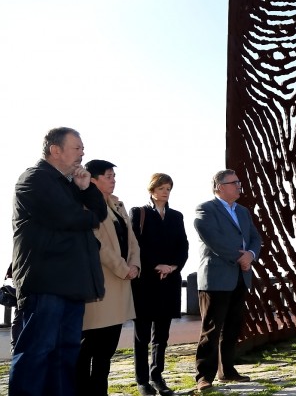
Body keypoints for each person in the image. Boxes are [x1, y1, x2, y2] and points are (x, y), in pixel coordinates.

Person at [9, 127, 106, 396]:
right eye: (77, 148)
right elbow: (69, 218)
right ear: (55, 150)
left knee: (66, 354)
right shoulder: (34, 179)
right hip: (45, 283)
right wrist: (87, 214)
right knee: (36, 352)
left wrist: (86, 189)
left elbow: (99, 213)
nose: (83, 153)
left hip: (72, 283)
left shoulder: (69, 184)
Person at [76, 160, 142, 396]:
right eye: (108, 176)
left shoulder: (117, 204)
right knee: (89, 347)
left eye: (114, 176)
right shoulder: (86, 205)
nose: (113, 180)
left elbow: (132, 240)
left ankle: (100, 391)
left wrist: (134, 264)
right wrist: (122, 268)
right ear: (93, 180)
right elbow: (98, 244)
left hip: (122, 283)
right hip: (101, 283)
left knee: (107, 350)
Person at [193, 169, 262, 391]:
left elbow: (255, 237)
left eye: (239, 182)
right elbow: (213, 239)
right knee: (212, 329)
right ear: (219, 187)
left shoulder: (242, 211)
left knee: (232, 327)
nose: (239, 186)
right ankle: (204, 376)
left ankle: (228, 371)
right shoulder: (206, 209)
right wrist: (240, 258)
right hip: (217, 277)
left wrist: (251, 255)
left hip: (241, 276)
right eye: (234, 183)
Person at [130, 173, 189, 396]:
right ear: (152, 189)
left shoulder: (176, 216)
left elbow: (183, 245)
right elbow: (135, 245)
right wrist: (156, 265)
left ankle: (157, 377)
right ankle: (142, 380)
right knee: (142, 336)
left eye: (168, 188)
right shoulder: (139, 213)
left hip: (169, 281)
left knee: (161, 336)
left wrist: (172, 267)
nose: (166, 192)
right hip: (146, 282)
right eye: (162, 188)